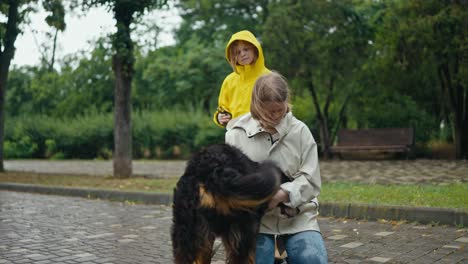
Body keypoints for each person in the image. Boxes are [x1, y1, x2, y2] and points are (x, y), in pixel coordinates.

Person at [225, 72, 328, 264]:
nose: (275, 116)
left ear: (286, 103)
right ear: (256, 105)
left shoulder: (301, 132)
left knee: (311, 259)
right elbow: (231, 184)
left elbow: (311, 180)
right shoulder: (235, 135)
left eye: (280, 110)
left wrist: (281, 195)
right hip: (255, 221)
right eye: (269, 111)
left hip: (298, 217)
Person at [213, 30, 270, 127]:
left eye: (246, 49)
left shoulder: (269, 78)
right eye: (237, 52)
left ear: (255, 49)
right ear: (233, 57)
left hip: (264, 132)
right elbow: (223, 108)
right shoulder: (229, 80)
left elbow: (281, 107)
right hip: (236, 133)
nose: (242, 54)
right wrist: (220, 117)